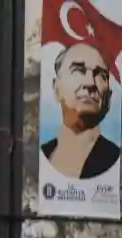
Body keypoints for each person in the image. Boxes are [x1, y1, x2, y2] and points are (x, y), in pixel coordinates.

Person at [41, 42, 121, 181]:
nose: (90, 83)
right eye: (78, 70)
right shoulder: (41, 156)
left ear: (108, 95)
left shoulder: (115, 159)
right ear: (56, 89)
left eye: (100, 75)